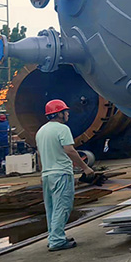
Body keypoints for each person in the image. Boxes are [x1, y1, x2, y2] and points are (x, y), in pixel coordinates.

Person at [35, 99, 95, 251]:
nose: (68, 114)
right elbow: (69, 150)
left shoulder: (41, 131)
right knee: (62, 207)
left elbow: (39, 154)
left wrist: (43, 173)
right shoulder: (62, 129)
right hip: (61, 173)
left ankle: (54, 236)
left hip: (47, 175)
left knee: (52, 208)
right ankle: (57, 241)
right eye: (65, 111)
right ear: (59, 114)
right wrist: (85, 168)